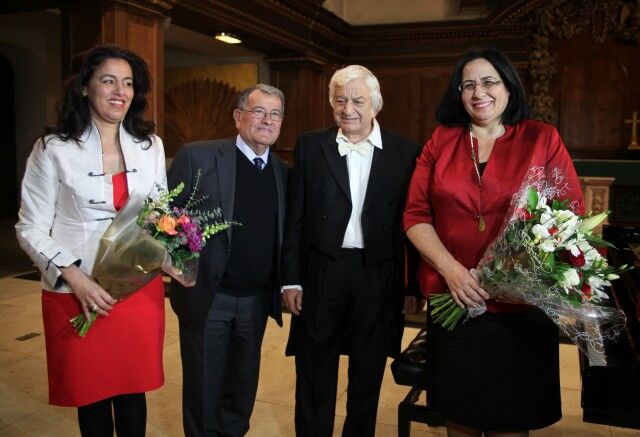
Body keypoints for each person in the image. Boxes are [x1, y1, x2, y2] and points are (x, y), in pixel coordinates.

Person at [403, 47, 585, 436]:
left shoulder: (542, 138)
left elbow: (569, 216)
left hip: (519, 309)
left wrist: (514, 278)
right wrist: (451, 270)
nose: (478, 92)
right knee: (459, 420)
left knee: (511, 424)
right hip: (455, 302)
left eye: (489, 82)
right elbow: (415, 215)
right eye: (467, 84)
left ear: (508, 87)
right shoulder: (441, 140)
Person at [15, 45, 166, 436]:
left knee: (133, 389)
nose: (120, 91)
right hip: (77, 290)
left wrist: (175, 254)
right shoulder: (53, 149)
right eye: (108, 81)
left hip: (136, 289)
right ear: (85, 87)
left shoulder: (150, 145)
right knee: (91, 392)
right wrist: (74, 277)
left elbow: (160, 214)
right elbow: (29, 226)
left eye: (128, 83)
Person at [281, 65, 419, 437]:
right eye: (340, 100)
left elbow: (413, 224)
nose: (348, 109)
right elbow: (295, 216)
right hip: (322, 269)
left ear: (376, 104)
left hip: (377, 273)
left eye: (358, 101)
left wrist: (411, 286)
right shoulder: (311, 145)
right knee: (314, 366)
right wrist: (291, 279)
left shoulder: (405, 151)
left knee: (368, 369)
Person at [167, 83, 289, 437]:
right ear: (238, 117)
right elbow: (164, 218)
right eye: (258, 111)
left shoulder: (283, 172)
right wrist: (183, 272)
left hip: (256, 301)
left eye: (275, 114)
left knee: (242, 387)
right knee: (204, 388)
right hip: (209, 298)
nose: (267, 120)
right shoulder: (198, 157)